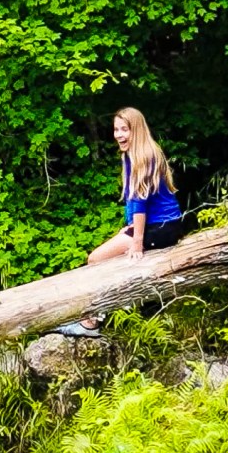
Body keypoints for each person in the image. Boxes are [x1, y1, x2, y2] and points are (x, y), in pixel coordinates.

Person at [55, 107, 183, 337]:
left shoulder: (144, 156)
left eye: (125, 129)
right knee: (107, 256)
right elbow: (133, 200)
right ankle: (93, 313)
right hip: (160, 224)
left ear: (137, 130)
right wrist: (130, 225)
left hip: (162, 227)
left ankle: (91, 322)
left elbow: (141, 200)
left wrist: (137, 241)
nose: (119, 135)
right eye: (116, 130)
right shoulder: (134, 154)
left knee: (96, 259)